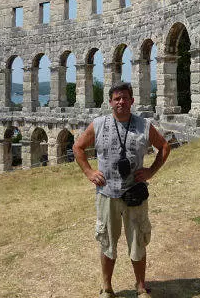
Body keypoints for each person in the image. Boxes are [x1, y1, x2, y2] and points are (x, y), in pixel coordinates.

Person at [73, 82, 171, 298]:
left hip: (134, 193)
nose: (121, 102)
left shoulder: (143, 125)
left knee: (137, 242)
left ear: (132, 101)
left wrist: (151, 171)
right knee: (107, 242)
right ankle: (107, 288)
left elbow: (164, 147)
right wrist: (89, 172)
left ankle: (141, 287)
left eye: (125, 98)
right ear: (110, 102)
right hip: (107, 194)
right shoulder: (98, 124)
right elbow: (78, 147)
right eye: (116, 98)